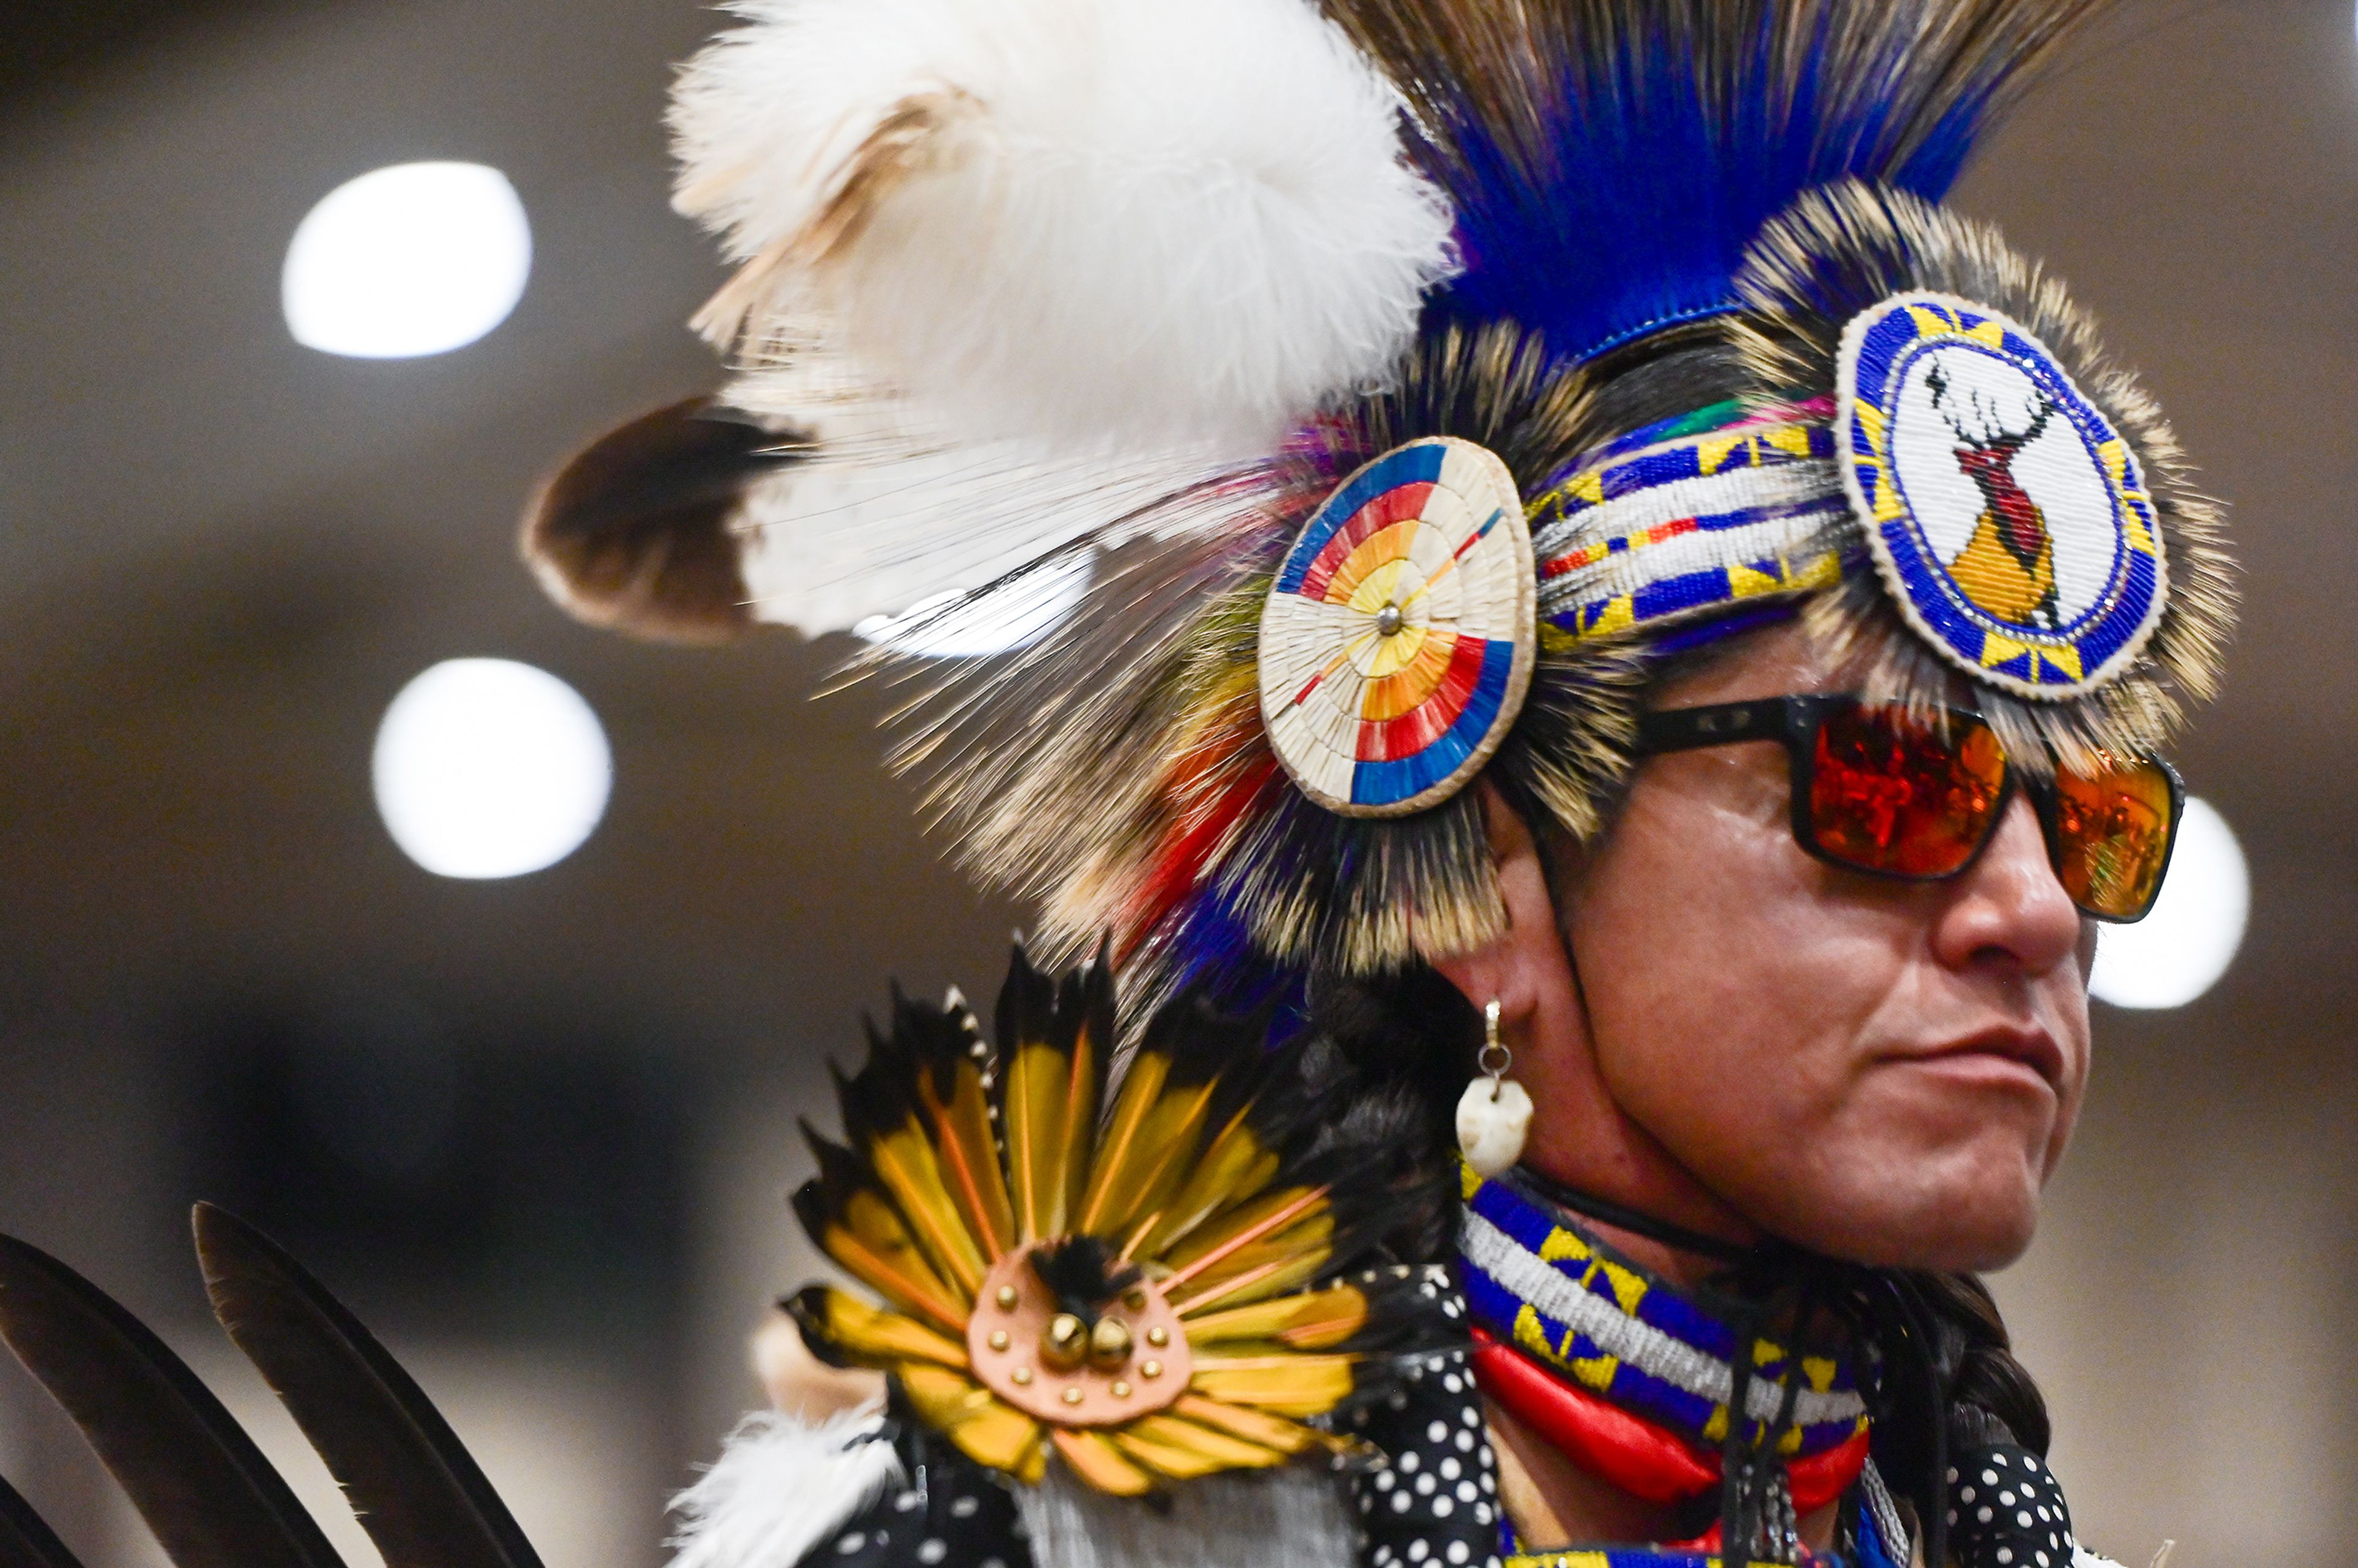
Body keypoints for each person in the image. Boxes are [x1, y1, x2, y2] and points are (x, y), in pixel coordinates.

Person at [515, 2, 2238, 1567]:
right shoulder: (1082, 1538)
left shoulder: (1971, 1520)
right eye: (1882, 784)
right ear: (1487, 876)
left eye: (2089, 825)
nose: (2031, 915)